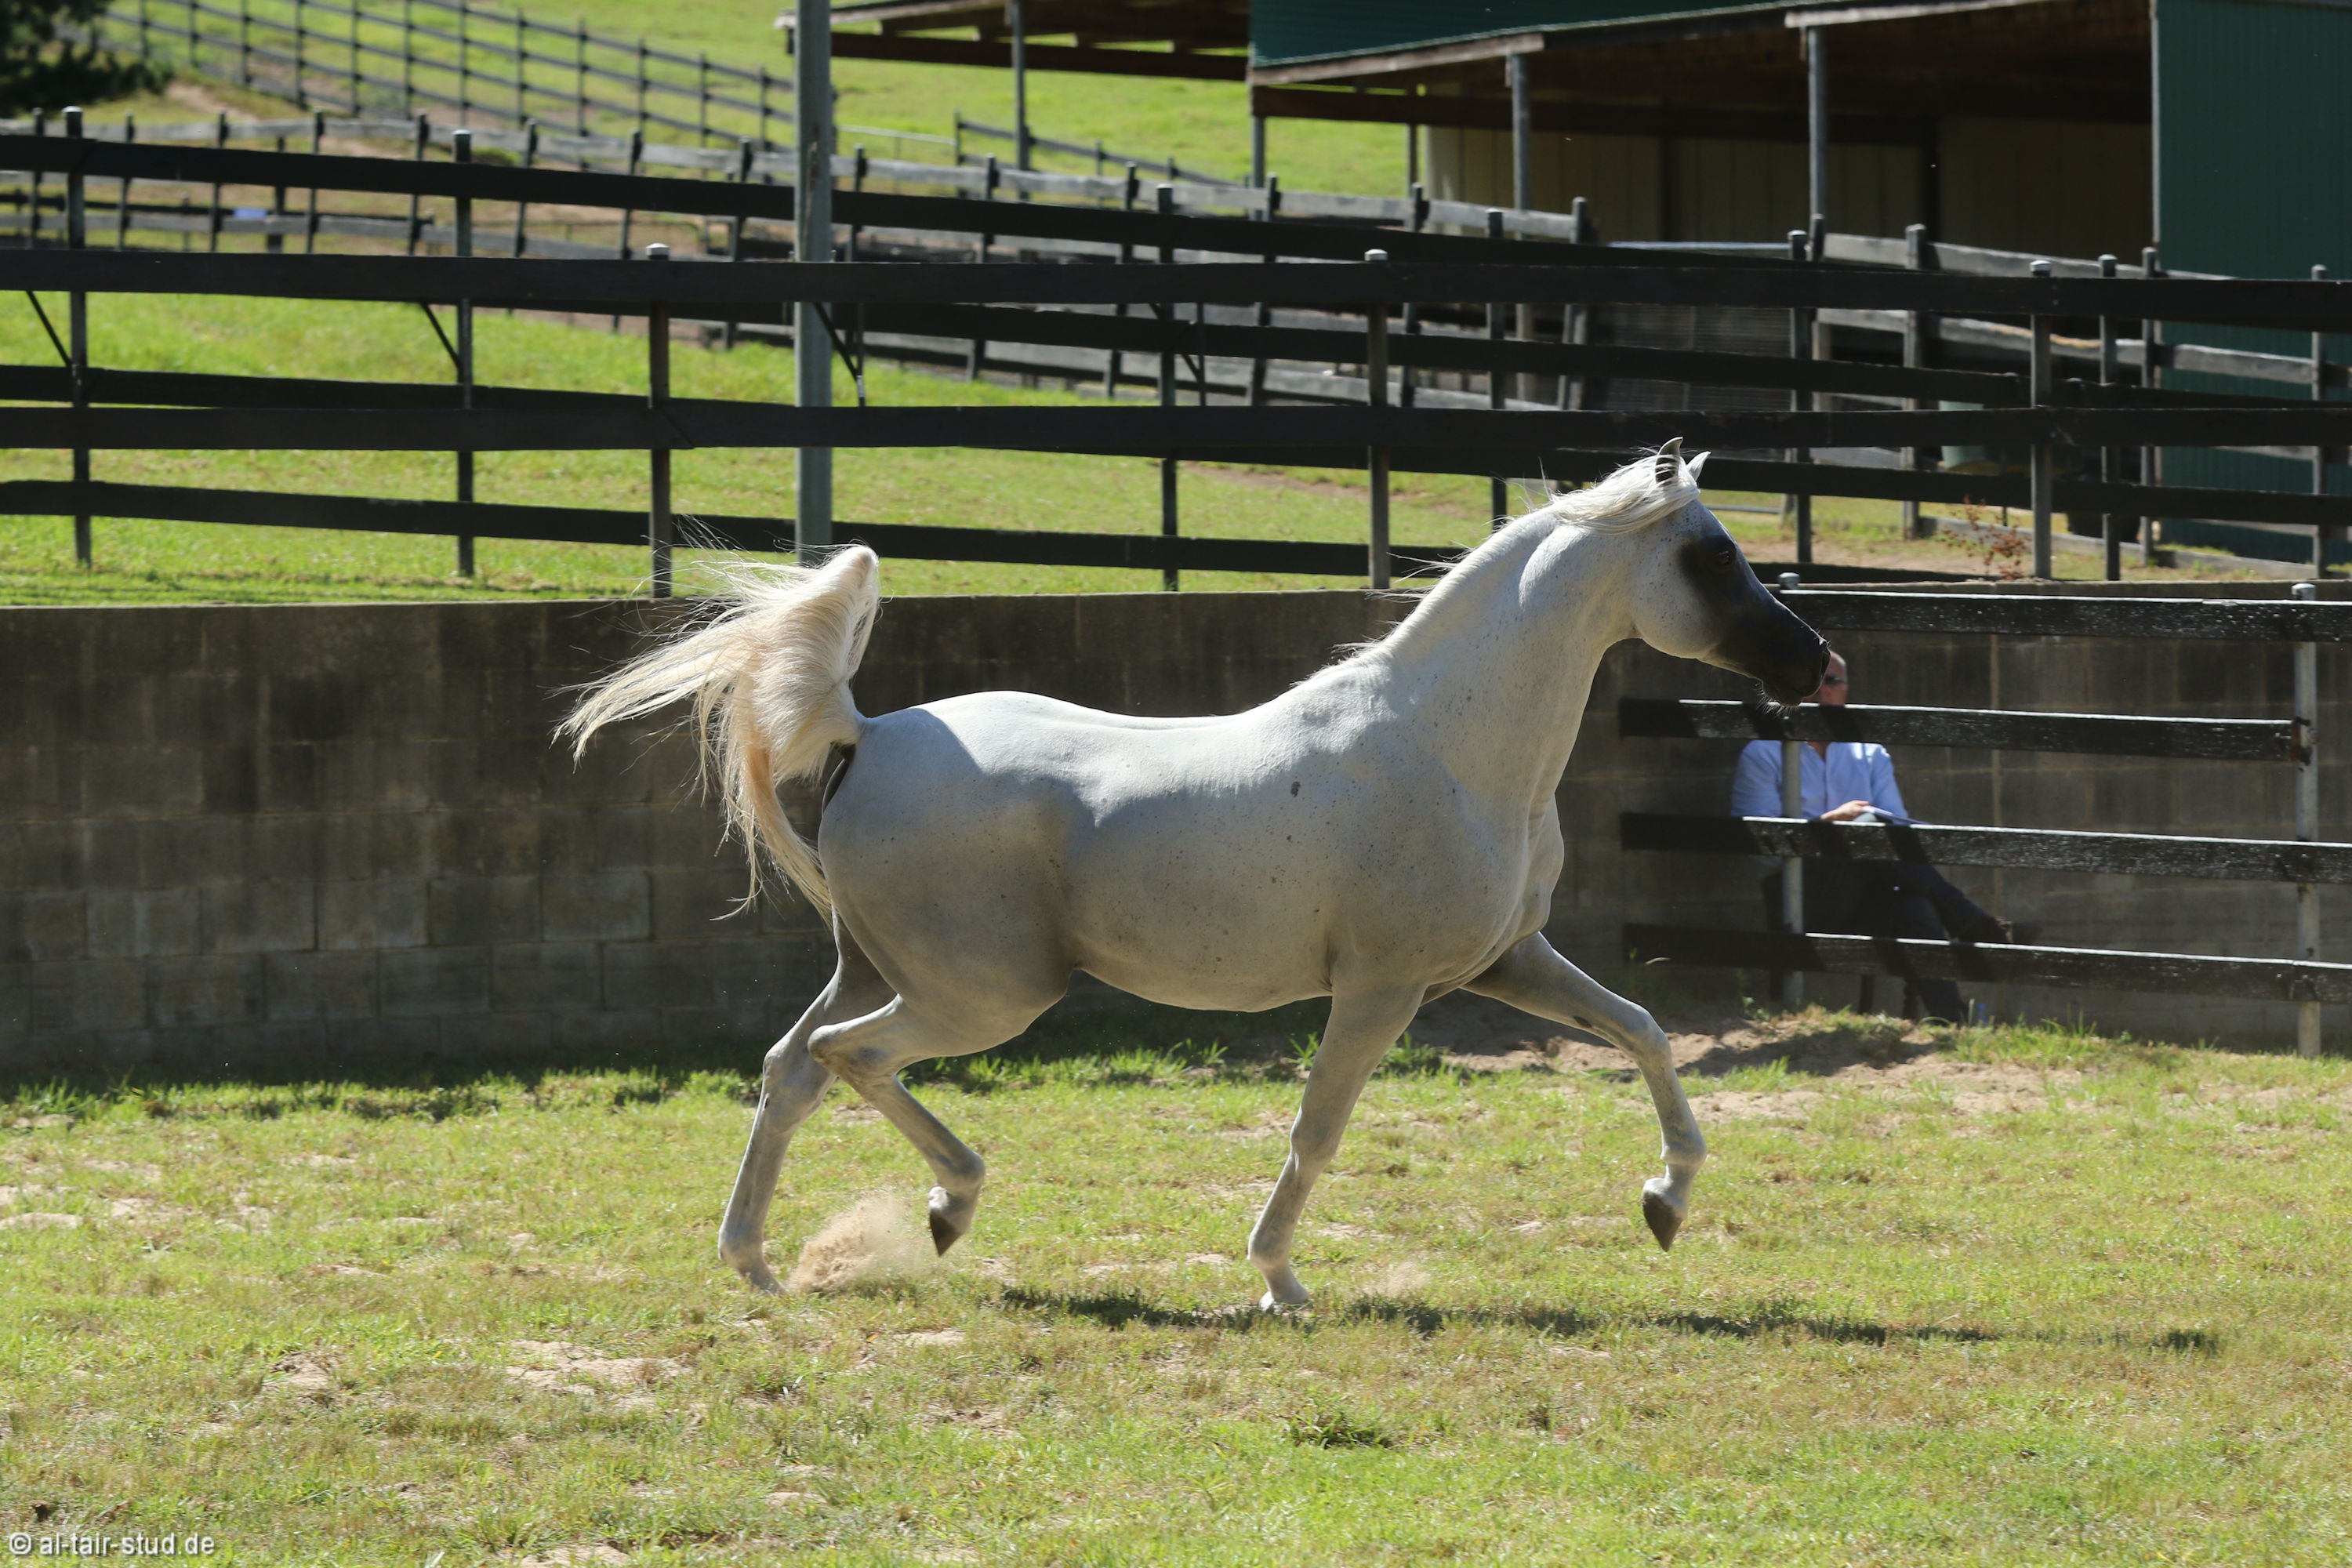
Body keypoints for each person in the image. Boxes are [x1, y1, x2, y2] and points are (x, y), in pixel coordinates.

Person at [1730, 649, 2034, 1023]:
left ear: (1845, 690)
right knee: (1867, 824)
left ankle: (1950, 1021)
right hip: (1800, 893)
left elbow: (1899, 837)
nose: (1821, 690)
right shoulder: (1763, 752)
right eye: (1811, 680)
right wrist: (1829, 826)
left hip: (1865, 893)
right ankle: (1975, 925)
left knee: (1913, 905)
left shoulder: (1870, 754)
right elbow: (1760, 848)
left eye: (1832, 681)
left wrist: (1865, 829)